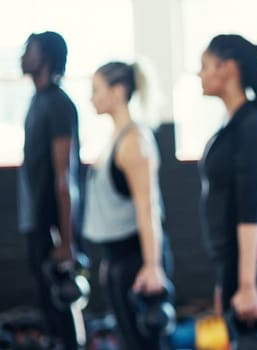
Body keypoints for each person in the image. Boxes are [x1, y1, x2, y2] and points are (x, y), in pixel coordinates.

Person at [197, 34, 257, 348]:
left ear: (229, 69)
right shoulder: (233, 124)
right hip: (237, 259)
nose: (200, 74)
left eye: (206, 66)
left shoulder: (252, 126)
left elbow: (250, 208)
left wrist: (247, 283)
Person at [83, 60, 173, 349]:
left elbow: (148, 209)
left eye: (97, 90)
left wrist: (152, 266)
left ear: (119, 91)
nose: (92, 98)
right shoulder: (115, 137)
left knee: (144, 343)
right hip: (119, 257)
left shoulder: (134, 142)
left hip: (138, 258)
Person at [18, 31, 85, 350]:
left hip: (55, 231)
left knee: (63, 311)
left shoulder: (58, 104)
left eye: (28, 50)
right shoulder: (37, 102)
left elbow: (65, 178)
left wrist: (68, 243)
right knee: (49, 312)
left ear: (44, 57)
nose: (22, 56)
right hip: (36, 223)